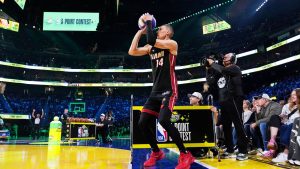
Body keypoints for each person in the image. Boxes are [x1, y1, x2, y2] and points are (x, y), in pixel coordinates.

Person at [128, 13, 194, 168]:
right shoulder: (151, 47)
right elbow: (132, 51)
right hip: (155, 92)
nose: (157, 30)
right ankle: (156, 152)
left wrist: (149, 22)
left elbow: (152, 39)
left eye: (160, 29)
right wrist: (140, 31)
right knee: (142, 122)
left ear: (167, 33)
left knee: (164, 120)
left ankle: (185, 154)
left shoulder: (172, 44)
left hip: (169, 90)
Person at [206, 53, 249, 161]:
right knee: (226, 126)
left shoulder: (235, 68)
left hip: (234, 98)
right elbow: (211, 81)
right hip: (224, 101)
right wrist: (208, 68)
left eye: (227, 56)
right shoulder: (221, 72)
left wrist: (214, 64)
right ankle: (230, 149)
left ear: (233, 59)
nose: (224, 57)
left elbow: (223, 70)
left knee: (238, 124)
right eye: (224, 56)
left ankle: (243, 151)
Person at [270, 89, 299, 162]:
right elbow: (285, 117)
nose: (292, 96)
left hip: (295, 125)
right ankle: (272, 141)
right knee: (274, 117)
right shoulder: (289, 106)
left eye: (294, 94)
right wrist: (283, 117)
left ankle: (285, 153)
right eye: (292, 95)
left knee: (291, 125)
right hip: (287, 123)